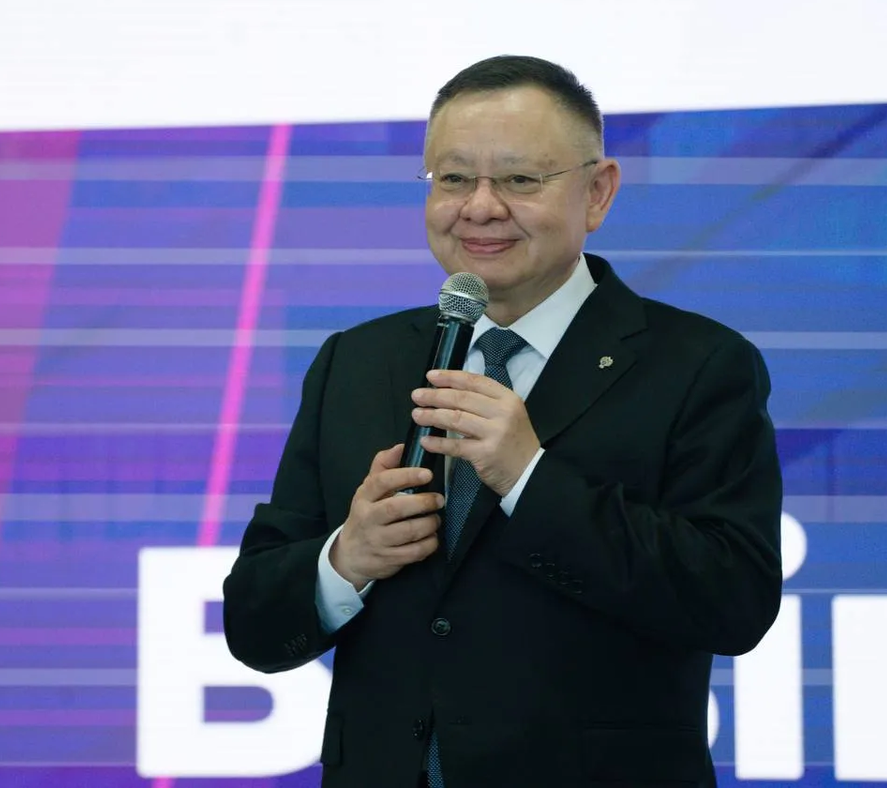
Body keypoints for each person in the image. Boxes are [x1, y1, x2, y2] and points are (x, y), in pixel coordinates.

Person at [222, 54, 783, 788]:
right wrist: (347, 559)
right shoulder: (355, 361)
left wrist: (529, 478)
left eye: (520, 180)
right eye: (454, 179)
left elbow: (733, 603)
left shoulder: (698, 365)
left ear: (598, 192)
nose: (480, 207)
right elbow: (254, 625)